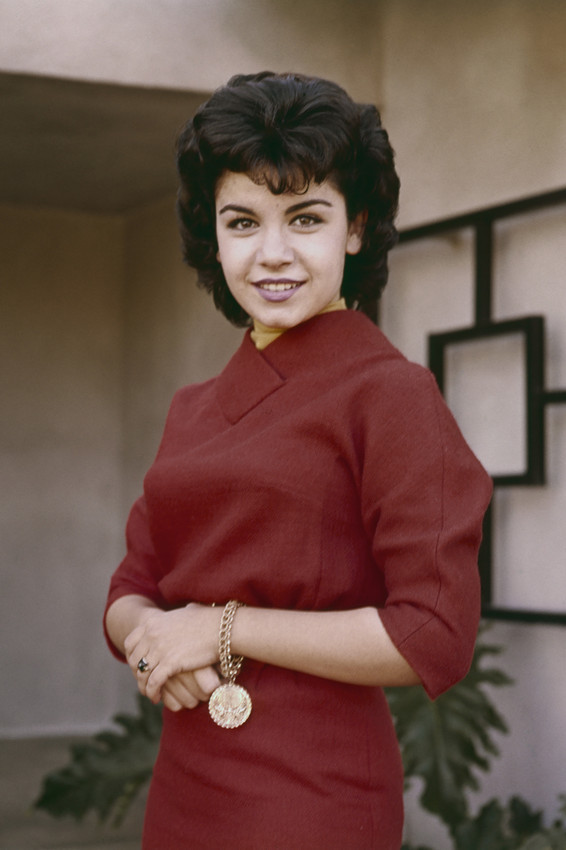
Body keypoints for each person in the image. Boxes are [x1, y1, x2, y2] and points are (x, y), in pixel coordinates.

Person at [104, 71, 492, 850]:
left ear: (355, 229)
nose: (271, 254)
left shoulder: (391, 395)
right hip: (186, 784)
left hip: (315, 797)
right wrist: (154, 638)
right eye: (243, 222)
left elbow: (433, 632)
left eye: (305, 217)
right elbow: (129, 590)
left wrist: (218, 628)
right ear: (213, 236)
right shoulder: (192, 407)